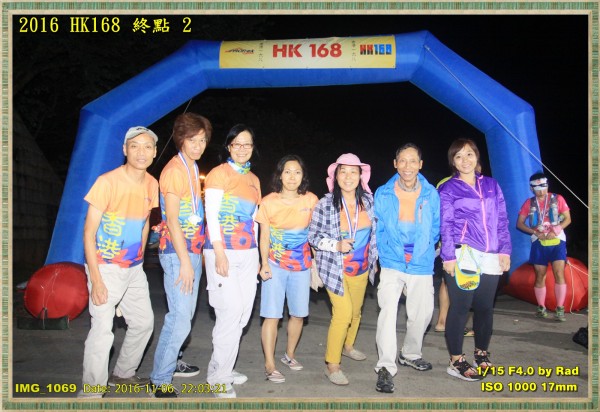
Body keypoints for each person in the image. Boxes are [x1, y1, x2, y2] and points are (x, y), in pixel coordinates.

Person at [78, 126, 159, 398]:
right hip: (105, 266)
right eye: (134, 146)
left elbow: (145, 222)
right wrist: (96, 279)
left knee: (144, 322)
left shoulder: (152, 183)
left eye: (147, 146)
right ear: (125, 150)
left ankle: (123, 373)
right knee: (102, 331)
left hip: (133, 268)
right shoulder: (107, 182)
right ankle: (90, 394)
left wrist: (141, 258)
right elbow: (88, 233)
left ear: (155, 152)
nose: (141, 152)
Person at [149, 113, 212, 398]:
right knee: (179, 317)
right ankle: (160, 379)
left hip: (191, 248)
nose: (198, 146)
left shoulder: (192, 166)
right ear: (180, 139)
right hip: (178, 253)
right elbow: (172, 219)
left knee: (184, 313)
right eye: (192, 140)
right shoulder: (175, 170)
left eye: (202, 140)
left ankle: (173, 361)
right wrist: (185, 261)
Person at [438, 138, 511, 381]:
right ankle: (455, 360)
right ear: (453, 162)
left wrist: (505, 250)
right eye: (458, 156)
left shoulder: (491, 185)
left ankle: (481, 353)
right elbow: (446, 225)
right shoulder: (448, 189)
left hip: (491, 254)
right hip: (464, 255)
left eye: (469, 154)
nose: (465, 160)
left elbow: (502, 219)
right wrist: (449, 256)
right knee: (460, 308)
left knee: (485, 307)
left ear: (477, 156)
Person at [373, 143, 440, 394]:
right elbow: (378, 228)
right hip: (392, 261)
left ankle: (410, 353)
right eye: (402, 160)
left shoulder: (431, 193)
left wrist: (424, 249)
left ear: (420, 165)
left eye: (413, 161)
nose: (407, 166)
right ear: (395, 164)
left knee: (423, 314)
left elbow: (436, 227)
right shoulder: (383, 193)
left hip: (421, 262)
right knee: (387, 312)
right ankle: (385, 366)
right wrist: (385, 254)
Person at [308, 153, 377, 386]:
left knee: (356, 312)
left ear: (361, 176)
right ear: (335, 176)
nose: (348, 176)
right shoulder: (325, 204)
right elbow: (313, 237)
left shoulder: (369, 202)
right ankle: (332, 364)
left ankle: (348, 346)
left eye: (353, 172)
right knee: (343, 313)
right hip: (334, 269)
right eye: (343, 171)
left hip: (362, 268)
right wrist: (335, 245)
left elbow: (376, 233)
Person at [203, 124, 261, 398]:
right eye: (237, 143)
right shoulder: (218, 173)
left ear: (252, 148)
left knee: (243, 314)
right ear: (229, 146)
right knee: (230, 311)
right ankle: (219, 379)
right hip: (222, 250)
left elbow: (255, 221)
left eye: (247, 144)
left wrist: (259, 257)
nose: (242, 148)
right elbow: (211, 214)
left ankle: (222, 366)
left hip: (248, 253)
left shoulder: (254, 179)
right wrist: (219, 252)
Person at [256, 155, 319, 383]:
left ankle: (289, 355)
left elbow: (316, 234)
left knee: (298, 314)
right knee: (272, 315)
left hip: (301, 266)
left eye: (297, 172)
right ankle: (269, 364)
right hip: (275, 265)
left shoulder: (311, 200)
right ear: (280, 175)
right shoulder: (268, 202)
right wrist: (264, 263)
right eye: (288, 172)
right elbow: (264, 236)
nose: (292, 177)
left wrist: (316, 263)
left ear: (303, 176)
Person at [516, 172, 571, 321]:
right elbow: (519, 223)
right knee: (540, 275)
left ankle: (560, 308)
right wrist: (535, 232)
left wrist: (556, 230)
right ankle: (541, 307)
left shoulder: (558, 198)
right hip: (538, 242)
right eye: (537, 188)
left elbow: (567, 219)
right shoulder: (529, 203)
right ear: (531, 188)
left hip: (557, 240)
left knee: (559, 273)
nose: (541, 191)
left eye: (543, 187)